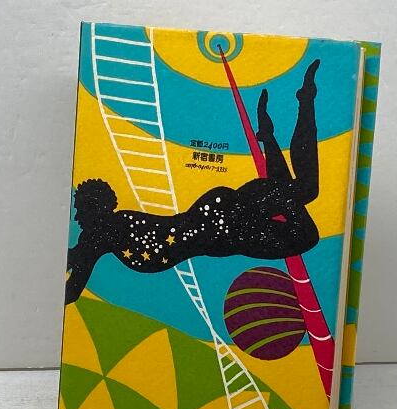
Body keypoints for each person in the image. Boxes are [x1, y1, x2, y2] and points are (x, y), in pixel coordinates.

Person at [65, 59, 321, 305]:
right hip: (217, 217)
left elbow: (72, 290)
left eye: (80, 209)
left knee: (306, 218)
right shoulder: (107, 230)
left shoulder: (101, 233)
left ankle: (303, 101)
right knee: (298, 199)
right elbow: (73, 270)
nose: (76, 216)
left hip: (222, 228)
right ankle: (271, 133)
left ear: (94, 207)